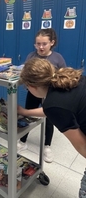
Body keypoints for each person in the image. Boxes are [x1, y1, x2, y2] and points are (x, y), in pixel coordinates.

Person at [18, 57, 86, 198]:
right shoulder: (68, 78)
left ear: (31, 87)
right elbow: (53, 107)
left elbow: (82, 146)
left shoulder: (54, 105)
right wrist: (25, 111)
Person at [18, 28, 66, 163]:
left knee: (49, 118)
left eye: (44, 44)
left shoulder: (57, 58)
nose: (40, 47)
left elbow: (62, 76)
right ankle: (22, 141)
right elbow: (25, 73)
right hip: (33, 93)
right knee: (27, 116)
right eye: (37, 44)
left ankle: (47, 146)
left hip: (50, 94)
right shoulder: (31, 56)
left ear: (52, 42)